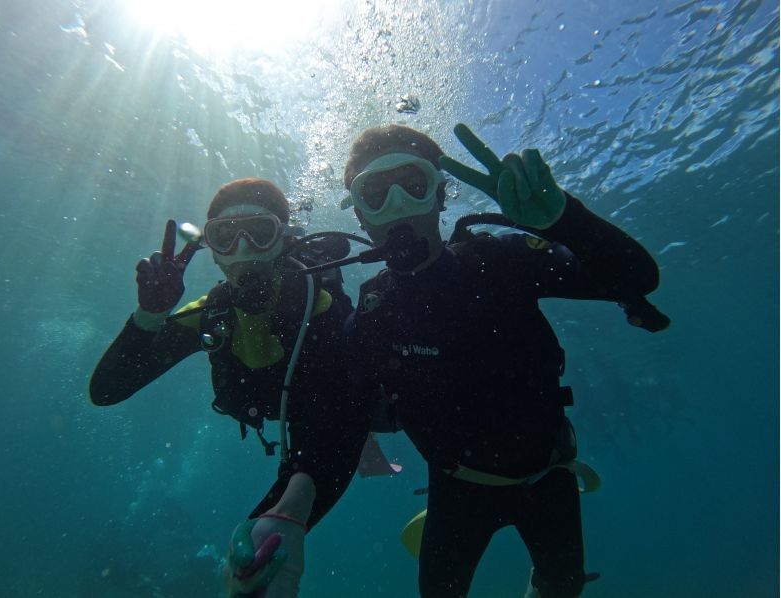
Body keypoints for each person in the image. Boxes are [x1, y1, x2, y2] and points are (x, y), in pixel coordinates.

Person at [341, 123, 668, 597]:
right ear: (359, 215)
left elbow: (639, 276)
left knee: (562, 587)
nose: (396, 206)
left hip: (547, 476)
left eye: (414, 185)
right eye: (374, 193)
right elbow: (348, 402)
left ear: (439, 195)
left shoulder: (501, 262)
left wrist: (561, 220)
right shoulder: (373, 311)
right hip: (456, 490)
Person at [89, 178, 369, 597]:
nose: (242, 251)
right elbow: (106, 391)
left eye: (258, 234)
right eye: (224, 236)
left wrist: (283, 514)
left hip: (325, 421)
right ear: (213, 252)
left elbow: (339, 426)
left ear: (283, 239)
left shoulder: (320, 308)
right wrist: (149, 316)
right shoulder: (211, 313)